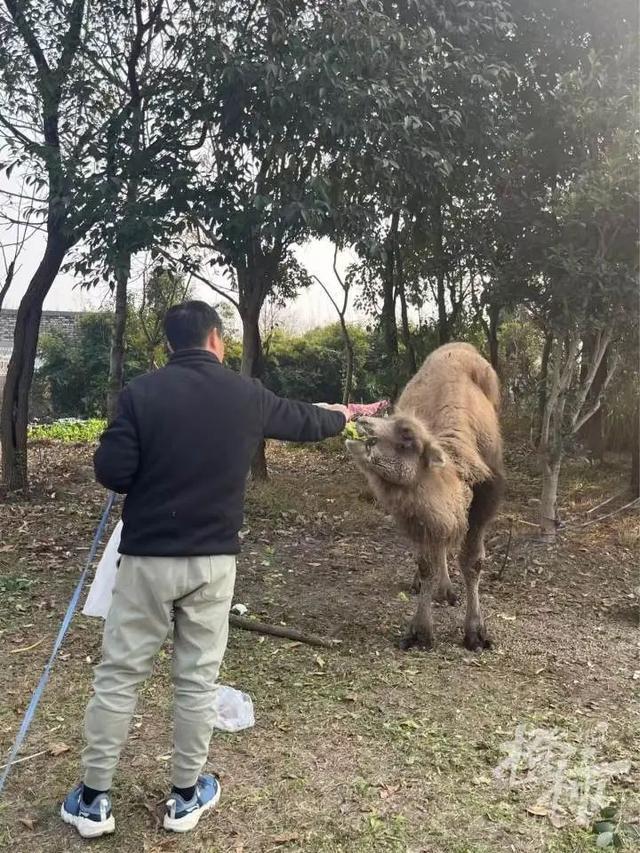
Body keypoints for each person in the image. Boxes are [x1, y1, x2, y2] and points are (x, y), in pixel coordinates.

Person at [61, 301, 350, 838]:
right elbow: (305, 420)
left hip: (147, 560)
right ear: (216, 339)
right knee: (196, 681)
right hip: (214, 564)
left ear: (170, 344)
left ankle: (93, 800)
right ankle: (186, 797)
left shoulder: (140, 394)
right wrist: (346, 415)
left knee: (120, 676)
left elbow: (113, 471)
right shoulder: (246, 395)